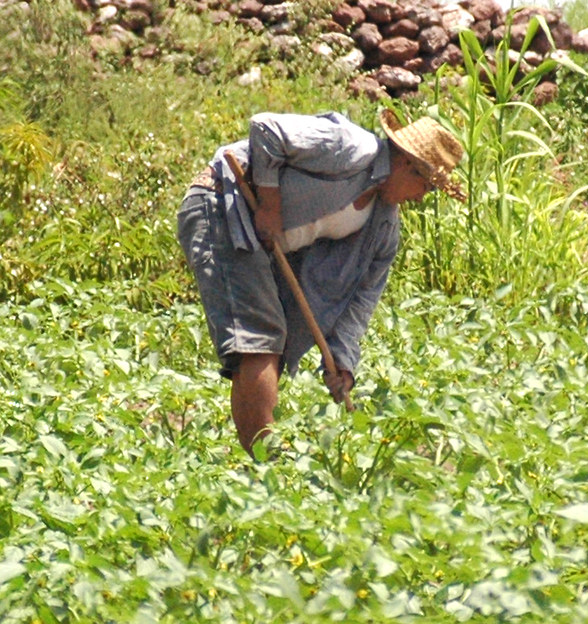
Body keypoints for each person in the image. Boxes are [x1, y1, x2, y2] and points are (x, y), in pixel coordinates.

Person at [177, 109, 465, 453]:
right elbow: (266, 128)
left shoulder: (384, 228)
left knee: (275, 340)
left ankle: (259, 457)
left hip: (268, 245)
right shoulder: (352, 147)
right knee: (260, 337)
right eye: (426, 186)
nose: (420, 198)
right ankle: (267, 463)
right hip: (226, 202)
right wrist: (269, 205)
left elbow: (362, 299)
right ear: (406, 163)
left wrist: (343, 360)